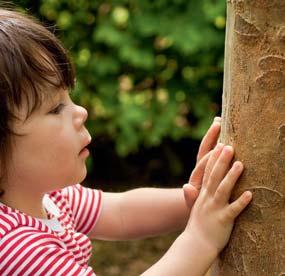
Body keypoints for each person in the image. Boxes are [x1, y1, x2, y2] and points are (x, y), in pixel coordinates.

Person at [0, 7, 252, 276]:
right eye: (54, 109)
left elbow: (120, 212)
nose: (80, 112)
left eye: (67, 97)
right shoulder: (17, 247)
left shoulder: (47, 197)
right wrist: (201, 239)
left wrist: (198, 198)